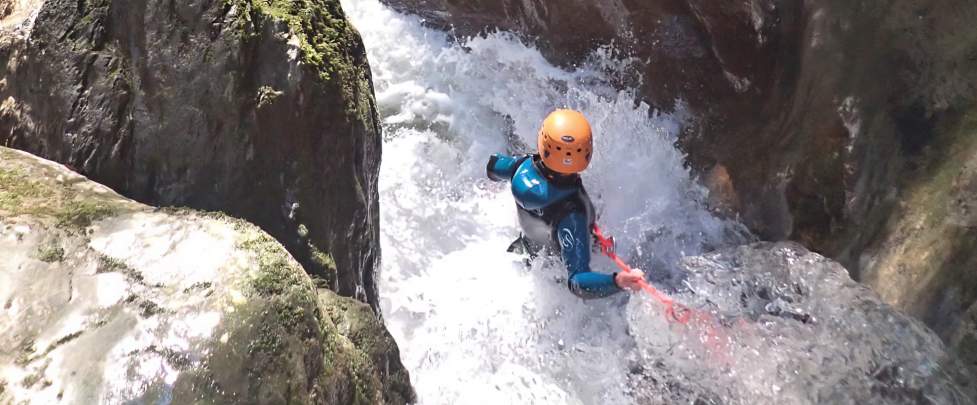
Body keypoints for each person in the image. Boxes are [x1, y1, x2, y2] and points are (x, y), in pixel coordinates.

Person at [486, 109, 645, 298]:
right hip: (554, 279)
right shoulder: (572, 215)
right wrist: (617, 281)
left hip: (524, 250)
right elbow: (578, 282)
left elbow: (493, 167)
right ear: (586, 153)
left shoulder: (520, 167)